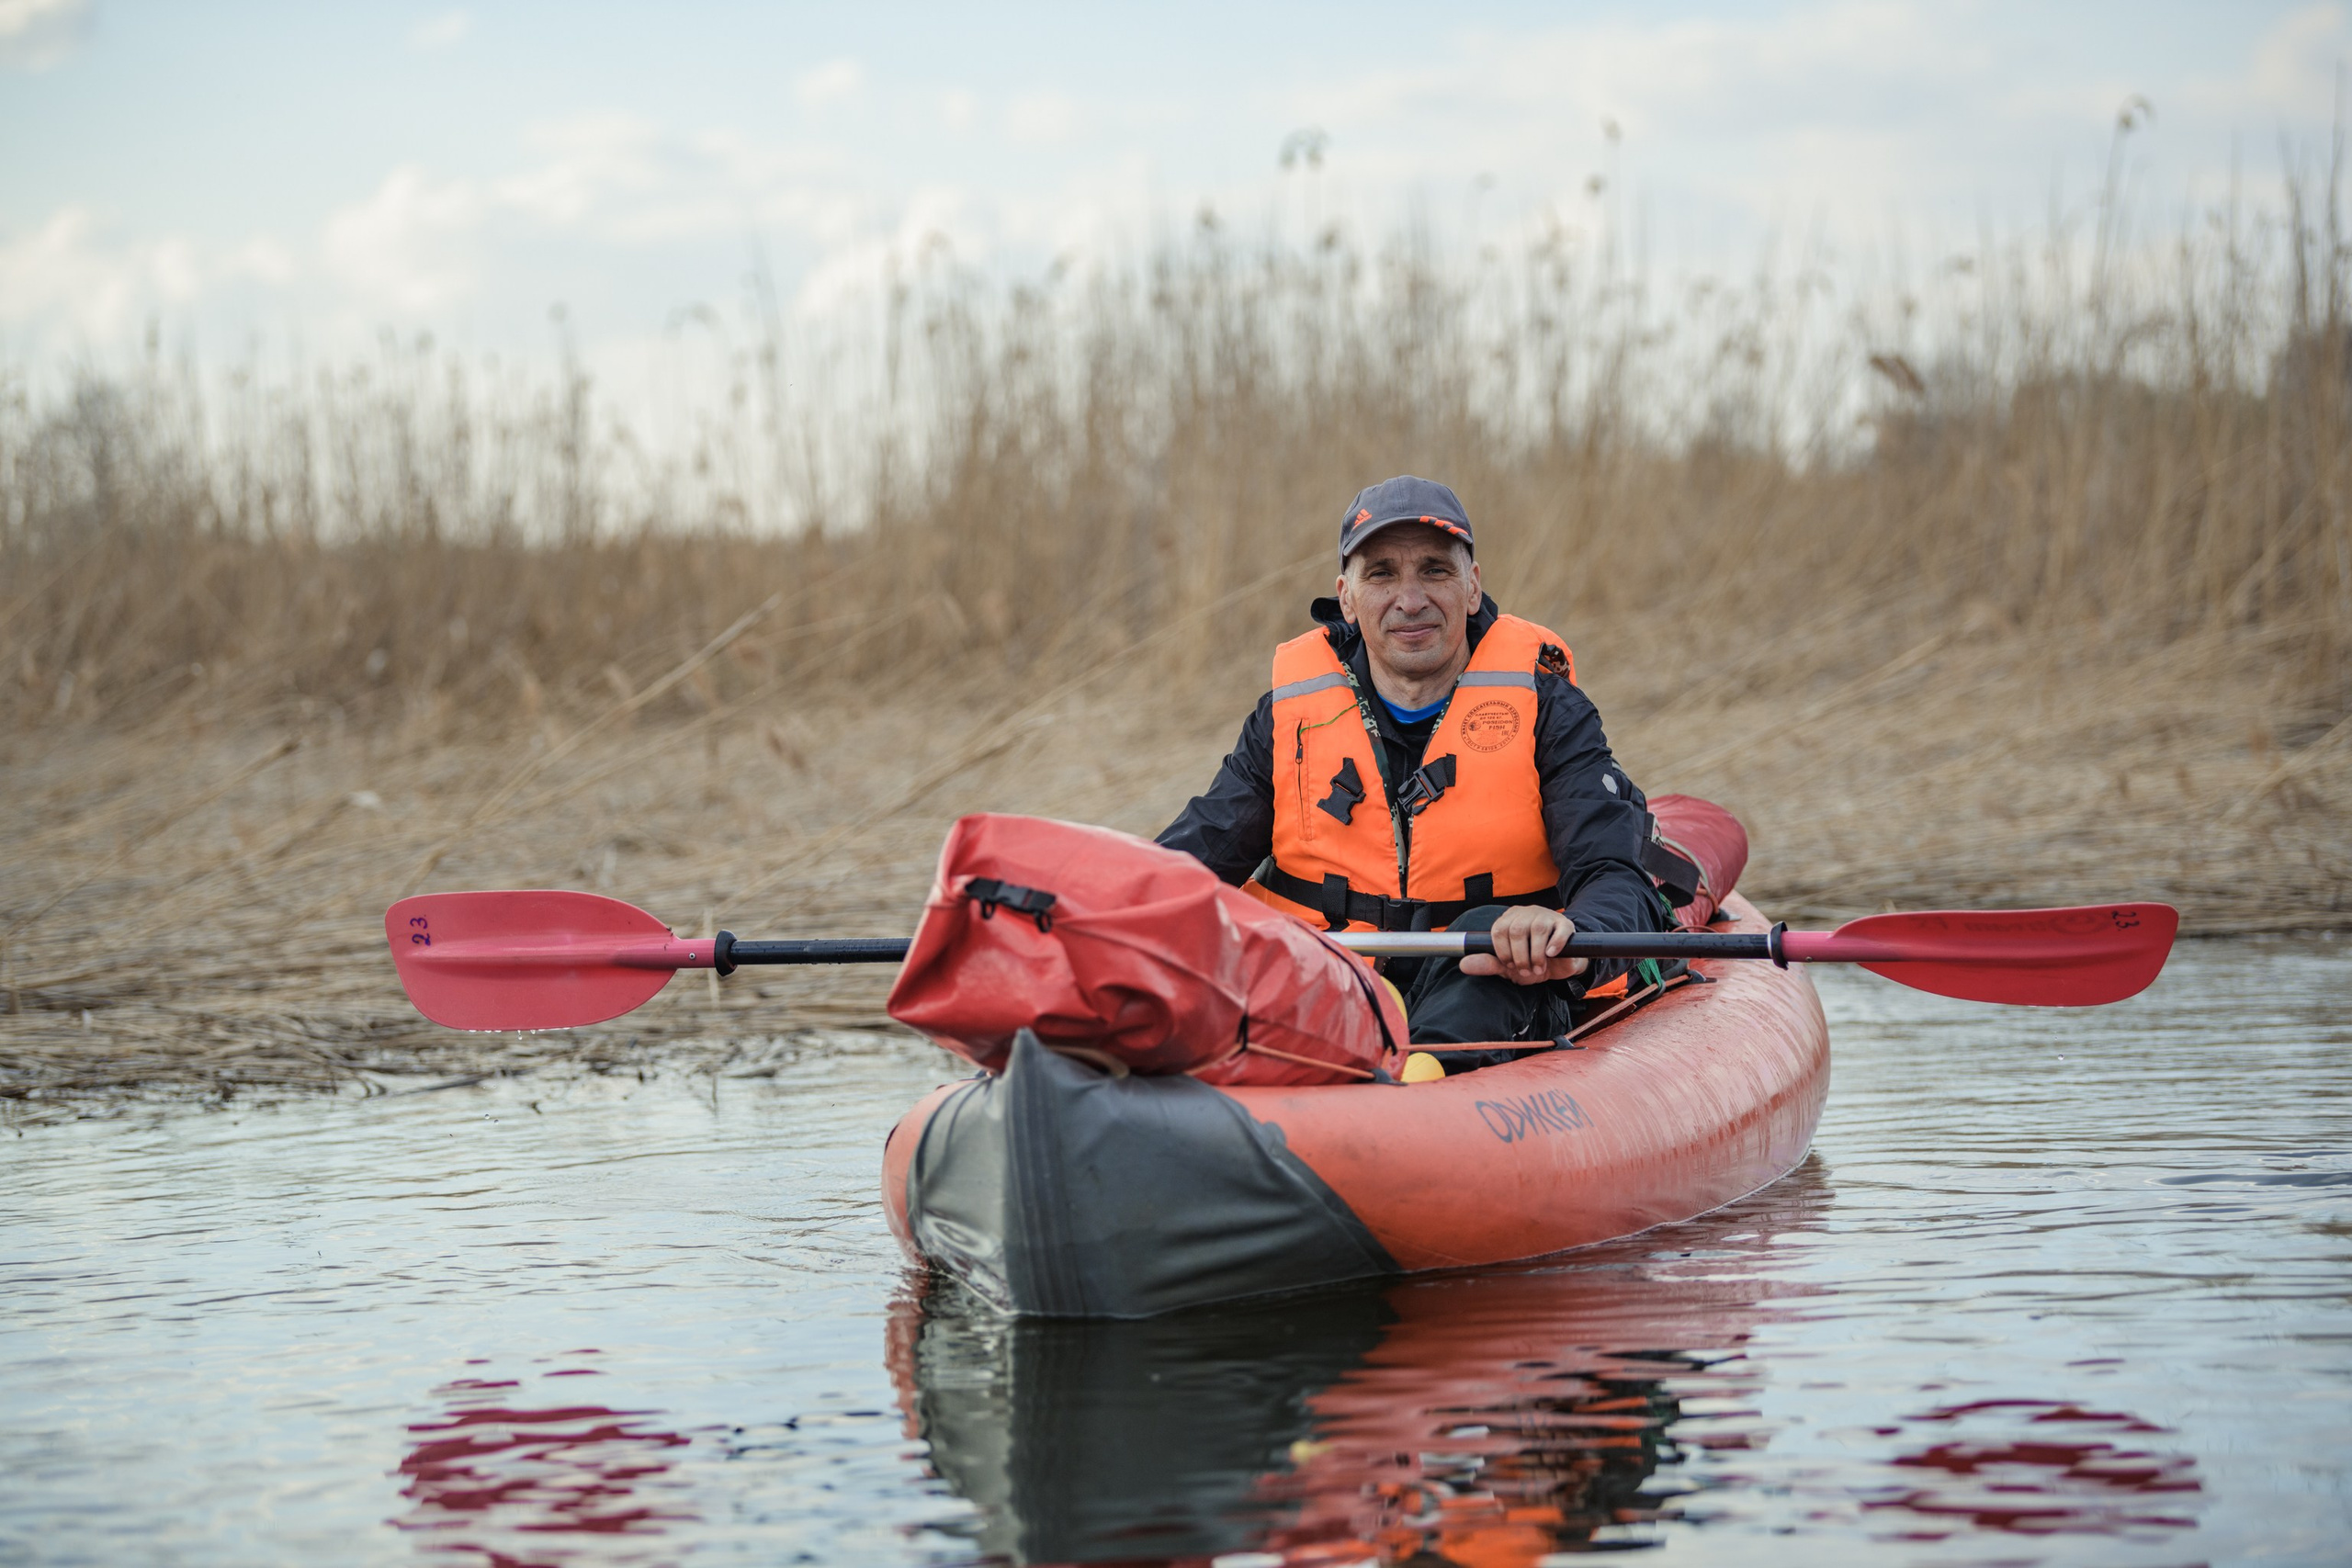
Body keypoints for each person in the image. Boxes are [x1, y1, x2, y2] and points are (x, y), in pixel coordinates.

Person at [1157, 476, 1667, 1071]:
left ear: (1472, 587)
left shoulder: (1549, 711)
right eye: (1382, 574)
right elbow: (1193, 856)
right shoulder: (1287, 720)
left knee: (1487, 934)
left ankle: (1419, 1085)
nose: (1411, 599)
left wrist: (1569, 935)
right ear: (1347, 598)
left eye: (1434, 570)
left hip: (1490, 983)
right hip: (1335, 981)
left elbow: (1614, 874)